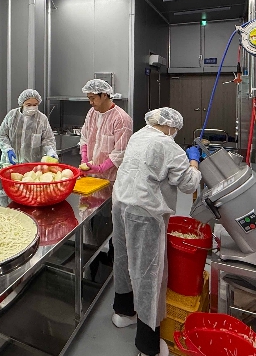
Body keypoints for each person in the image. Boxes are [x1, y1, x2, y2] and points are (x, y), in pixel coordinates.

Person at [110, 108, 202, 356]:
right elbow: (188, 184)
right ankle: (148, 346)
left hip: (121, 203)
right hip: (145, 212)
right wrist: (193, 161)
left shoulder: (138, 136)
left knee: (123, 259)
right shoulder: (169, 146)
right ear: (172, 126)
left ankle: (123, 312)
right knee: (149, 274)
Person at [79, 79, 133, 182]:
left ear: (104, 95)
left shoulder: (121, 119)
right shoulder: (92, 113)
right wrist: (84, 158)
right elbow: (85, 138)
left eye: (93, 98)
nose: (91, 102)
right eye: (89, 98)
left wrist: (101, 168)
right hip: (91, 177)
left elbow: (120, 152)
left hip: (112, 179)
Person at [0, 89, 57, 164]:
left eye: (35, 105)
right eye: (28, 105)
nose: (32, 107)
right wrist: (7, 149)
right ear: (22, 104)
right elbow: (2, 135)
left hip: (32, 165)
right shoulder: (12, 116)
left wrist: (51, 152)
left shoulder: (42, 119)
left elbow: (48, 139)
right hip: (11, 163)